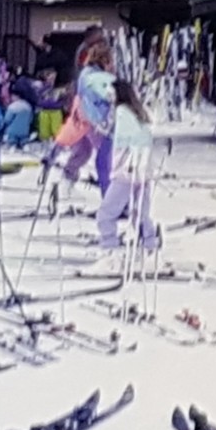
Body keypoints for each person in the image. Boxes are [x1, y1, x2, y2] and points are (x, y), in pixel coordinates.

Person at [90, 80, 159, 274]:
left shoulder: (122, 113)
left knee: (106, 214)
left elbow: (131, 138)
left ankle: (110, 255)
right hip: (142, 171)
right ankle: (150, 251)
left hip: (126, 171)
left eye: (111, 94)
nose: (109, 99)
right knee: (140, 213)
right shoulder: (139, 113)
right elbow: (144, 137)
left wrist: (127, 161)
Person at [56, 41, 116, 194]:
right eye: (110, 59)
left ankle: (67, 181)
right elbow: (93, 100)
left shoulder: (88, 73)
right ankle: (110, 193)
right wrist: (101, 122)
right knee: (105, 156)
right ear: (104, 59)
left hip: (84, 118)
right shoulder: (93, 76)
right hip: (93, 121)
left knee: (84, 152)